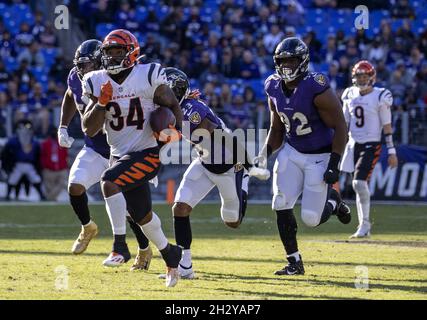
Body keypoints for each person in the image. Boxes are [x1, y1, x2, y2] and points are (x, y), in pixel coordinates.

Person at [82, 29, 183, 287]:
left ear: (131, 53)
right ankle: (171, 255)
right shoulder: (96, 80)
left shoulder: (147, 75)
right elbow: (89, 129)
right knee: (142, 215)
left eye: (118, 51)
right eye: (108, 52)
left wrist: (174, 134)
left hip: (147, 152)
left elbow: (172, 106)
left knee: (109, 181)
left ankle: (120, 247)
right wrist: (101, 103)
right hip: (119, 155)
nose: (113, 57)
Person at [160, 67, 270, 279]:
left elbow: (223, 136)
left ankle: (243, 179)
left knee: (232, 221)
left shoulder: (192, 109)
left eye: (165, 91)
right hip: (203, 163)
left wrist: (247, 164)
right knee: (180, 207)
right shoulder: (169, 111)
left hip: (229, 167)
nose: (161, 95)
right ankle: (185, 266)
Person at [254, 37, 351, 275]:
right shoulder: (272, 86)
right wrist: (263, 154)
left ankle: (334, 201)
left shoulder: (316, 87)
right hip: (292, 151)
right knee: (280, 203)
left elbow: (341, 127)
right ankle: (294, 262)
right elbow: (276, 128)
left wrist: (335, 163)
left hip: (320, 156)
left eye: (291, 61)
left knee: (311, 219)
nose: (286, 66)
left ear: (303, 61)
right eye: (282, 61)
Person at [58, 39, 152, 271]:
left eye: (88, 65)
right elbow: (71, 94)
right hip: (95, 148)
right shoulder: (77, 77)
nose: (83, 70)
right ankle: (88, 227)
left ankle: (143, 249)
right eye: (80, 65)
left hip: (122, 152)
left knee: (133, 211)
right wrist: (63, 125)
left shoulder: (115, 79)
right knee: (75, 186)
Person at [340, 60, 398, 238]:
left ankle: (364, 225)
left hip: (371, 144)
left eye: (365, 76)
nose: (362, 79)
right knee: (357, 185)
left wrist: (392, 151)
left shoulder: (381, 96)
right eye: (359, 76)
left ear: (372, 77)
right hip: (353, 144)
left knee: (359, 183)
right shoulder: (349, 94)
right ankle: (363, 225)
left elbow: (386, 126)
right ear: (354, 78)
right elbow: (344, 124)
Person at [1, 119, 45, 201]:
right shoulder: (13, 141)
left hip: (29, 164)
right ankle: (7, 195)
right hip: (18, 164)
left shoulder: (34, 142)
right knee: (12, 179)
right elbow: (6, 154)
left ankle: (42, 195)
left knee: (36, 179)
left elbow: (38, 155)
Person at [40, 126, 68, 201]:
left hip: (61, 169)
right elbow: (42, 156)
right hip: (49, 169)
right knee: (49, 187)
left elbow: (66, 155)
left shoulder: (62, 143)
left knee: (63, 183)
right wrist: (44, 166)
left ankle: (48, 198)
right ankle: (52, 201)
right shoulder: (45, 144)